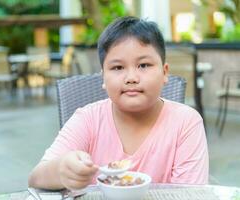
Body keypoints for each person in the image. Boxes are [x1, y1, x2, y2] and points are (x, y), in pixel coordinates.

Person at [28, 16, 209, 190]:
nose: (131, 78)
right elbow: (36, 178)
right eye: (117, 67)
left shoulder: (185, 123)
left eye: (144, 65)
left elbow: (190, 193)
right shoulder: (88, 119)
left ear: (164, 72)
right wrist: (61, 170)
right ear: (104, 78)